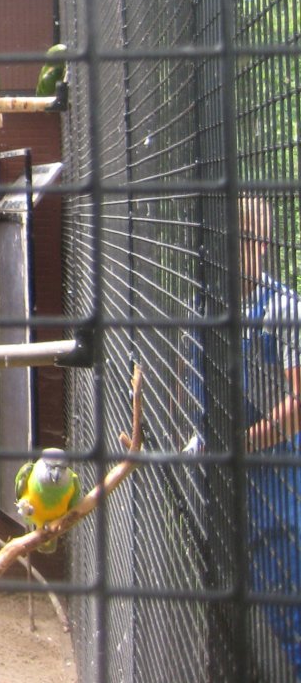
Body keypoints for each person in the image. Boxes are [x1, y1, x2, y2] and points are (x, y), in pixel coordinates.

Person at [238, 195, 301, 676]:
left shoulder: (280, 309)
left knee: (289, 614)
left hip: (278, 485)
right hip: (226, 486)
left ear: (260, 245)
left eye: (240, 240)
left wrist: (245, 442)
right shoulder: (206, 304)